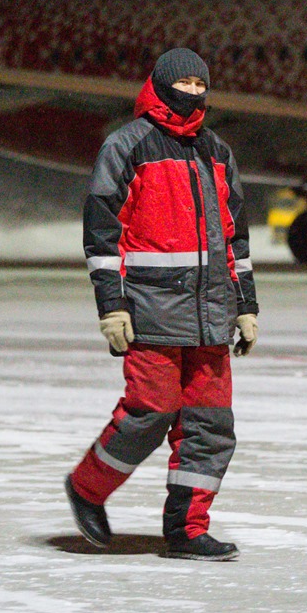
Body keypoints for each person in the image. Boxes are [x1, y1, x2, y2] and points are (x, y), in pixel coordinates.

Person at [65, 47, 259, 561]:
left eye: (201, 83)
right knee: (152, 409)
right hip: (150, 310)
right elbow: (101, 233)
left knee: (210, 426)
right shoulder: (127, 147)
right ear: (162, 83)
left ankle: (187, 530)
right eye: (185, 82)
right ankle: (88, 487)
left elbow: (236, 238)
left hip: (213, 315)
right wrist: (112, 306)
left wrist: (247, 306)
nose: (193, 92)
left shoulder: (217, 152)